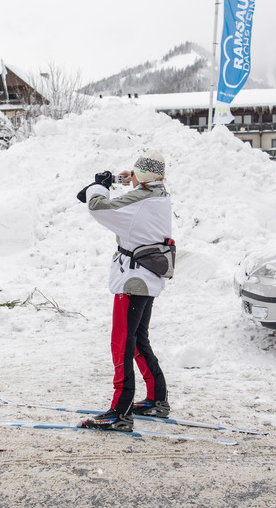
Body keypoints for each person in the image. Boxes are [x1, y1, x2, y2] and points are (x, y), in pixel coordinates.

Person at [75, 150, 172, 432]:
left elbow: (98, 207)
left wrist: (99, 185)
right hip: (148, 276)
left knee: (122, 343)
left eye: (136, 172)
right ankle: (156, 399)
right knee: (138, 340)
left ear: (142, 176)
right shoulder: (159, 193)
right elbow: (138, 197)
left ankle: (119, 412)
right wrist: (135, 181)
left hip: (133, 280)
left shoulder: (141, 200)